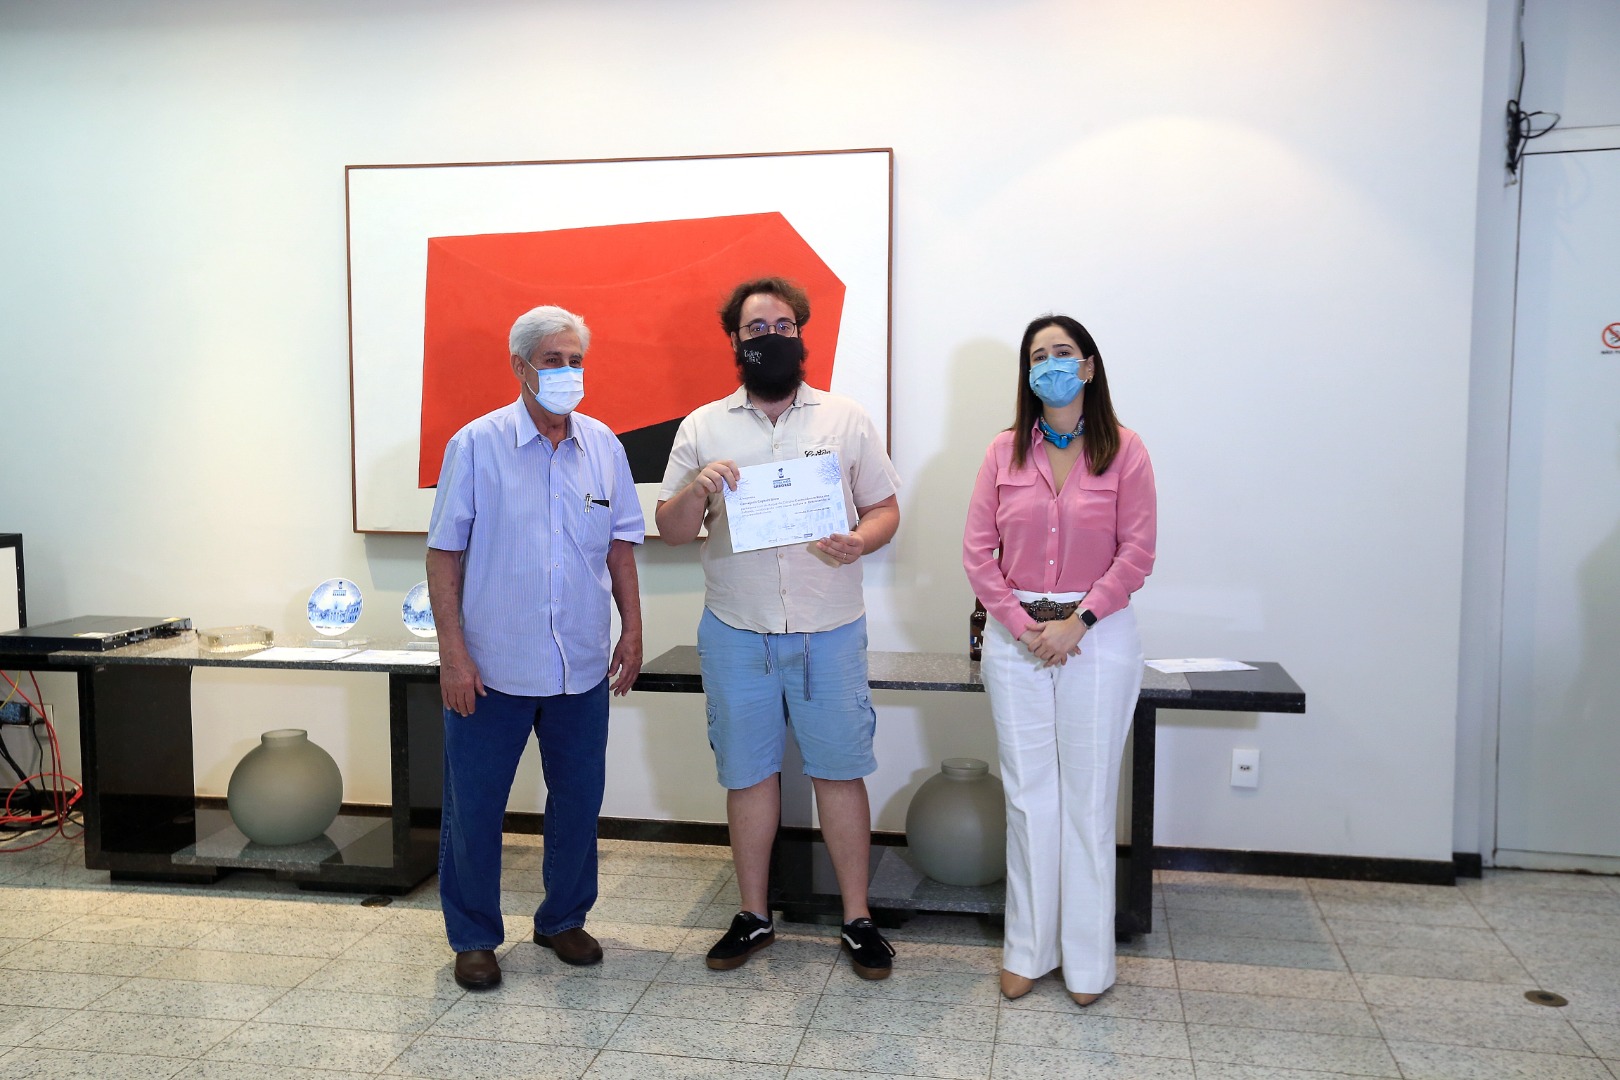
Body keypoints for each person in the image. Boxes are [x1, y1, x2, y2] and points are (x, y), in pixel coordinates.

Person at [656, 277, 902, 979]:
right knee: (748, 774)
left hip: (831, 628)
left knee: (841, 772)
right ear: (735, 341)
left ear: (801, 334)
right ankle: (753, 915)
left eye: (784, 325)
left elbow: (885, 509)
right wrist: (699, 487)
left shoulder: (846, 418)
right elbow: (670, 529)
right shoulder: (703, 426)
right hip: (738, 630)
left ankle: (857, 919)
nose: (771, 336)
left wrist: (861, 539)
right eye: (756, 327)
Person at [426, 304, 644, 990]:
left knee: (578, 799)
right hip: (491, 667)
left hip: (580, 663)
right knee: (475, 807)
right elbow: (444, 555)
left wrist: (633, 629)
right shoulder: (475, 445)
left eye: (576, 360)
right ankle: (473, 936)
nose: (568, 372)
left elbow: (620, 549)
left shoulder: (604, 447)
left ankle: (562, 919)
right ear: (520, 367)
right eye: (553, 360)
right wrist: (453, 654)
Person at [962, 314, 1156, 1006]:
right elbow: (977, 555)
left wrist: (1079, 623)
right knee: (1028, 797)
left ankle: (1088, 964)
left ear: (1088, 366)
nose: (1050, 364)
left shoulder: (1125, 450)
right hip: (1016, 640)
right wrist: (1023, 627)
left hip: (1097, 640)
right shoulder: (1003, 452)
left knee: (1088, 800)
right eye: (1038, 355)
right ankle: (1028, 950)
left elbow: (1138, 553)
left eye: (1062, 352)